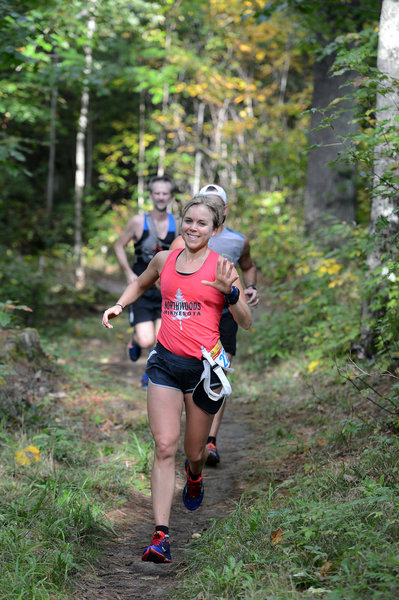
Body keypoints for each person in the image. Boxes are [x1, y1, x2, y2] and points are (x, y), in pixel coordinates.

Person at [102, 195, 252, 563]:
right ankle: (161, 535)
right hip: (166, 363)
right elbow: (141, 283)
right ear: (181, 222)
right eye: (189, 221)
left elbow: (246, 321)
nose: (193, 228)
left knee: (193, 451)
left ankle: (196, 474)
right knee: (164, 446)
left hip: (203, 370)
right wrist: (121, 305)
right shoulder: (164, 258)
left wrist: (230, 292)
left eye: (202, 223)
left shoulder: (223, 266)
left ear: (215, 229)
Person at [170, 183, 259, 466]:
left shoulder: (238, 240)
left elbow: (247, 266)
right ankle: (191, 436)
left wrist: (251, 287)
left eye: (214, 203)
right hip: (192, 317)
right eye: (203, 202)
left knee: (218, 375)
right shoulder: (186, 236)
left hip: (225, 316)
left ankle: (210, 440)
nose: (208, 207)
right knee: (192, 377)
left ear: (224, 210)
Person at [114, 175, 179, 388]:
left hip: (166, 290)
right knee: (145, 340)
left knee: (161, 338)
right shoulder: (137, 222)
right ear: (151, 195)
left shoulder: (177, 223)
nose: (161, 197)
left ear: (170, 196)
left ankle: (149, 373)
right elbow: (118, 245)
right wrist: (127, 272)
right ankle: (135, 339)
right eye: (157, 193)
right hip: (141, 288)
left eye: (165, 193)